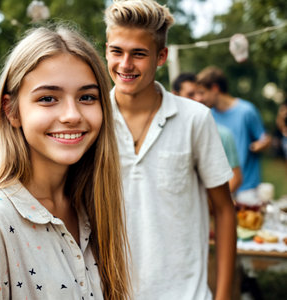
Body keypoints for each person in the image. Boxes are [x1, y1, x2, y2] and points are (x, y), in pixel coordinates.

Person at [0, 25, 130, 300]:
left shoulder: (92, 206)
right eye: (48, 98)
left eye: (87, 97)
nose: (72, 115)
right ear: (12, 111)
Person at [104, 1, 236, 299]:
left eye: (139, 53)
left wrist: (224, 295)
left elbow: (225, 211)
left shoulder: (195, 119)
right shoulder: (91, 120)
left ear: (161, 56)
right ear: (107, 50)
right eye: (117, 51)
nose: (125, 64)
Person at [196, 66, 272, 206]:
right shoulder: (208, 115)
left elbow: (265, 138)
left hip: (247, 189)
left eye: (202, 92)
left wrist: (261, 145)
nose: (200, 98)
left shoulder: (246, 111)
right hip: (222, 186)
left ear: (215, 88)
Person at [173, 72, 242, 193]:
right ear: (175, 95)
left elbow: (235, 178)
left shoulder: (222, 134)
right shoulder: (167, 135)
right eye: (191, 94)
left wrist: (209, 206)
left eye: (200, 93)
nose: (199, 98)